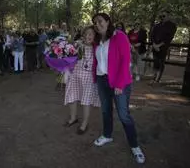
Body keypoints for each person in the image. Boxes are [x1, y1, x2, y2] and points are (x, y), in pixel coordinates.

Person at [92, 13, 145, 164]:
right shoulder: (97, 40)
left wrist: (120, 84)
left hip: (119, 81)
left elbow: (125, 61)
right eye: (95, 22)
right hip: (102, 80)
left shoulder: (119, 36)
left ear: (108, 22)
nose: (97, 24)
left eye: (100, 21)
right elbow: (97, 60)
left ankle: (135, 146)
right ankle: (107, 135)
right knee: (105, 110)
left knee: (123, 115)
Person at [64, 26, 101, 135]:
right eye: (86, 34)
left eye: (90, 34)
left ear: (95, 36)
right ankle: (73, 118)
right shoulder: (77, 45)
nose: (87, 36)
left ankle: (84, 124)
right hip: (75, 74)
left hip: (89, 78)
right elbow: (67, 57)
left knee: (86, 101)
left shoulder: (97, 48)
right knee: (72, 96)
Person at [150, 10, 177, 84]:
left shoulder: (172, 26)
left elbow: (169, 37)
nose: (162, 17)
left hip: (163, 47)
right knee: (155, 62)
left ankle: (157, 79)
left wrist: (159, 45)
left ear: (168, 16)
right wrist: (154, 44)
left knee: (161, 62)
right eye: (161, 16)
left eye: (164, 16)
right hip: (155, 46)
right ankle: (154, 77)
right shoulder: (157, 25)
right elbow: (152, 35)